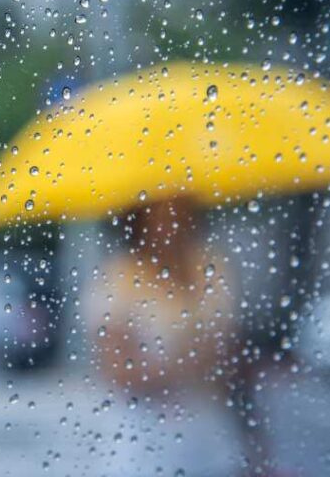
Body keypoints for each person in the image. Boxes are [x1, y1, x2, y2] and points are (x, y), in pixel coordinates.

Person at [90, 198, 274, 476]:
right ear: (139, 220)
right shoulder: (121, 276)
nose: (171, 224)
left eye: (179, 212)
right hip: (144, 438)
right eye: (160, 215)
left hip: (213, 433)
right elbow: (118, 370)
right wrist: (190, 362)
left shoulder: (211, 266)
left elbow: (232, 352)